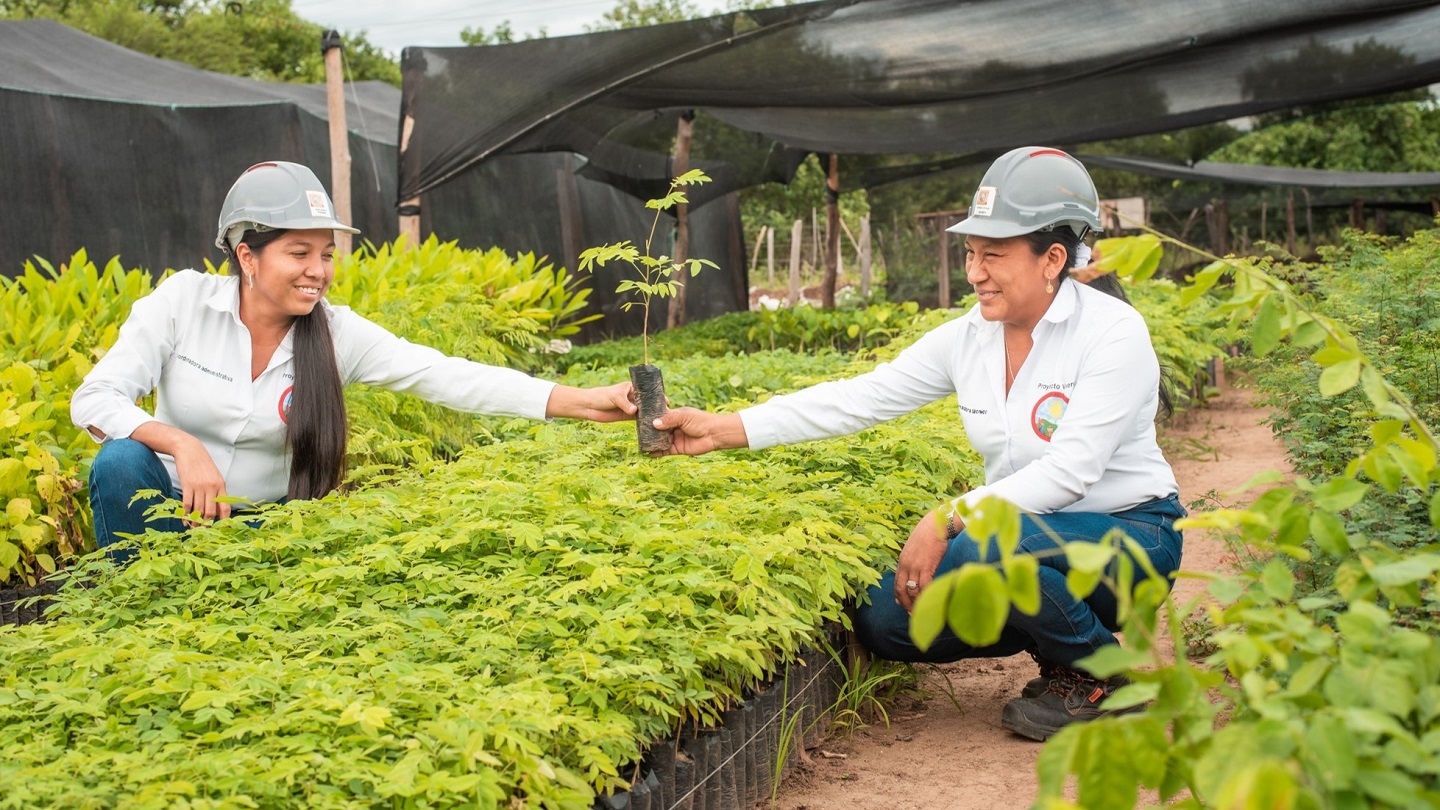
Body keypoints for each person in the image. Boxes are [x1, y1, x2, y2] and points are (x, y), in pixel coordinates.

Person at [651, 147, 1184, 741]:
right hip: (1025, 538)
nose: (975, 272)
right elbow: (862, 397)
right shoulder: (969, 338)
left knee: (991, 545)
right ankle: (1060, 657)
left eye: (994, 255)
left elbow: (1071, 472)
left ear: (1051, 259)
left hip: (1131, 538)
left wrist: (948, 518)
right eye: (970, 253)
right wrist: (723, 429)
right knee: (889, 618)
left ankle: (1104, 677)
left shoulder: (1112, 333)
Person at [72, 161, 636, 562]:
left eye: (325, 254)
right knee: (120, 461)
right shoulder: (183, 304)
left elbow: (448, 376)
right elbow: (95, 399)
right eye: (299, 253)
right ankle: (141, 608)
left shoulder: (337, 335)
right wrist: (181, 444)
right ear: (247, 255)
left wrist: (586, 403)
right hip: (166, 511)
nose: (318, 270)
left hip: (271, 531)